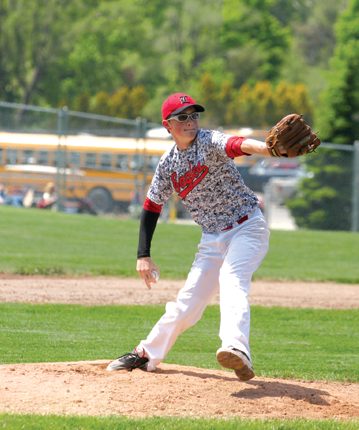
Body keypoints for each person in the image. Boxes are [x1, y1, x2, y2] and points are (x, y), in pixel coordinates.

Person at [106, 93, 277, 382]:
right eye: (182, 117)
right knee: (186, 304)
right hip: (212, 238)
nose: (191, 121)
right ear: (167, 125)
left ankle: (236, 349)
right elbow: (151, 206)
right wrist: (142, 254)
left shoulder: (208, 142)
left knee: (232, 279)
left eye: (194, 115)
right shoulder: (168, 164)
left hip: (247, 226)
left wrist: (267, 148)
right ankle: (147, 353)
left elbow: (235, 144)